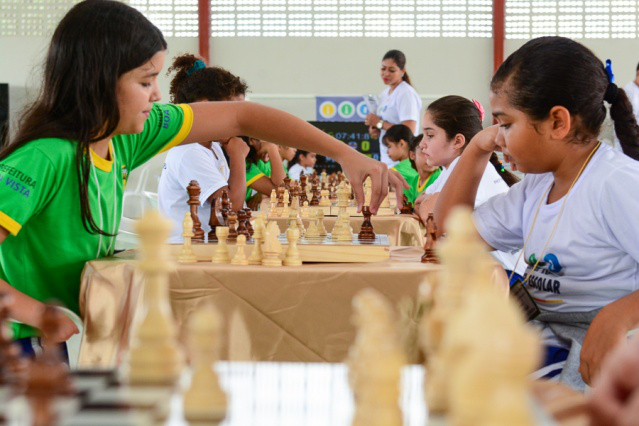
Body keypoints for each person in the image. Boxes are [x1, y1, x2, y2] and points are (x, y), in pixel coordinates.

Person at [0, 0, 392, 356]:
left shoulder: (125, 139)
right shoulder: (44, 157)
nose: (156, 96)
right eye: (144, 81)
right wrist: (38, 314)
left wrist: (343, 153)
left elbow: (243, 116)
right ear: (98, 80)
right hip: (17, 339)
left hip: (48, 340)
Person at [434, 37, 639, 390]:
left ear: (557, 122)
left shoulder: (615, 182)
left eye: (506, 124)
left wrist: (620, 314)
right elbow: (452, 233)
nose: (499, 138)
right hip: (542, 329)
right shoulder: (538, 185)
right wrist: (477, 147)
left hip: (596, 342)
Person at [158, 54, 250, 243]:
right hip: (187, 252)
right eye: (233, 112)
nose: (238, 122)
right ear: (206, 107)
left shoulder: (213, 146)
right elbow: (231, 206)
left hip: (209, 244)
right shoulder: (189, 151)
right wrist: (238, 156)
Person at [415, 95, 519, 221]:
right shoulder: (449, 168)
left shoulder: (467, 167)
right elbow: (419, 203)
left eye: (430, 135)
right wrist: (429, 201)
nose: (421, 144)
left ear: (458, 141)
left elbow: (432, 218)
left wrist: (429, 202)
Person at [364, 49, 422, 168]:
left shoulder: (406, 93)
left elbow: (408, 131)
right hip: (387, 159)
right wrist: (377, 129)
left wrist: (379, 123)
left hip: (402, 162)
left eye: (391, 70)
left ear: (402, 71)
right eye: (383, 68)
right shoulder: (385, 94)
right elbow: (388, 126)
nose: (386, 74)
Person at [382, 124, 418, 200]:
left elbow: (379, 180)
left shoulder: (400, 168)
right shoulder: (416, 163)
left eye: (389, 147)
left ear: (401, 144)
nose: (387, 152)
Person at [406, 134, 440, 205]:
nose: (430, 156)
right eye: (424, 150)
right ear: (412, 155)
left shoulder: (439, 178)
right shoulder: (415, 180)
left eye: (434, 150)